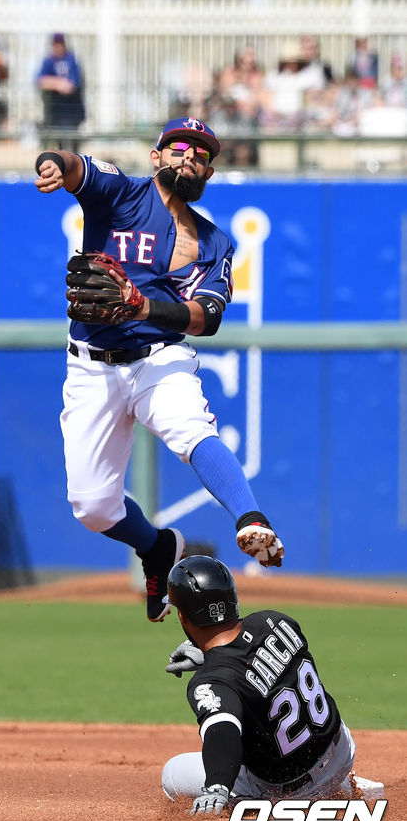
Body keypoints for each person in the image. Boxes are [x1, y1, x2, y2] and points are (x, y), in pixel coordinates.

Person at [34, 117, 284, 623]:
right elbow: (75, 165)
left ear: (209, 171)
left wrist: (142, 307)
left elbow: (206, 319)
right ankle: (157, 547)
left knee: (190, 428)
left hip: (159, 360)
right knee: (92, 508)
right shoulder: (121, 194)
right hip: (92, 368)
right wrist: (51, 165)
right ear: (157, 156)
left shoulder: (213, 243)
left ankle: (250, 518)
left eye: (202, 152)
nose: (190, 155)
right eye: (179, 147)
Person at [161, 555, 385, 814]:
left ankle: (263, 804)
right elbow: (260, 664)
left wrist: (217, 786)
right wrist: (212, 657)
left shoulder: (210, 681)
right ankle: (341, 787)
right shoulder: (276, 620)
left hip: (294, 790)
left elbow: (223, 732)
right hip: (342, 752)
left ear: (183, 617)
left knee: (171, 775)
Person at [36, 33, 85, 129]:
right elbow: (41, 81)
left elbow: (72, 85)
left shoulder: (71, 59)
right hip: (55, 110)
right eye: (55, 44)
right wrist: (58, 83)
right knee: (58, 135)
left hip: (72, 109)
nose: (57, 47)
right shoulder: (49, 61)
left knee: (72, 136)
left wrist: (53, 82)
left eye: (60, 44)